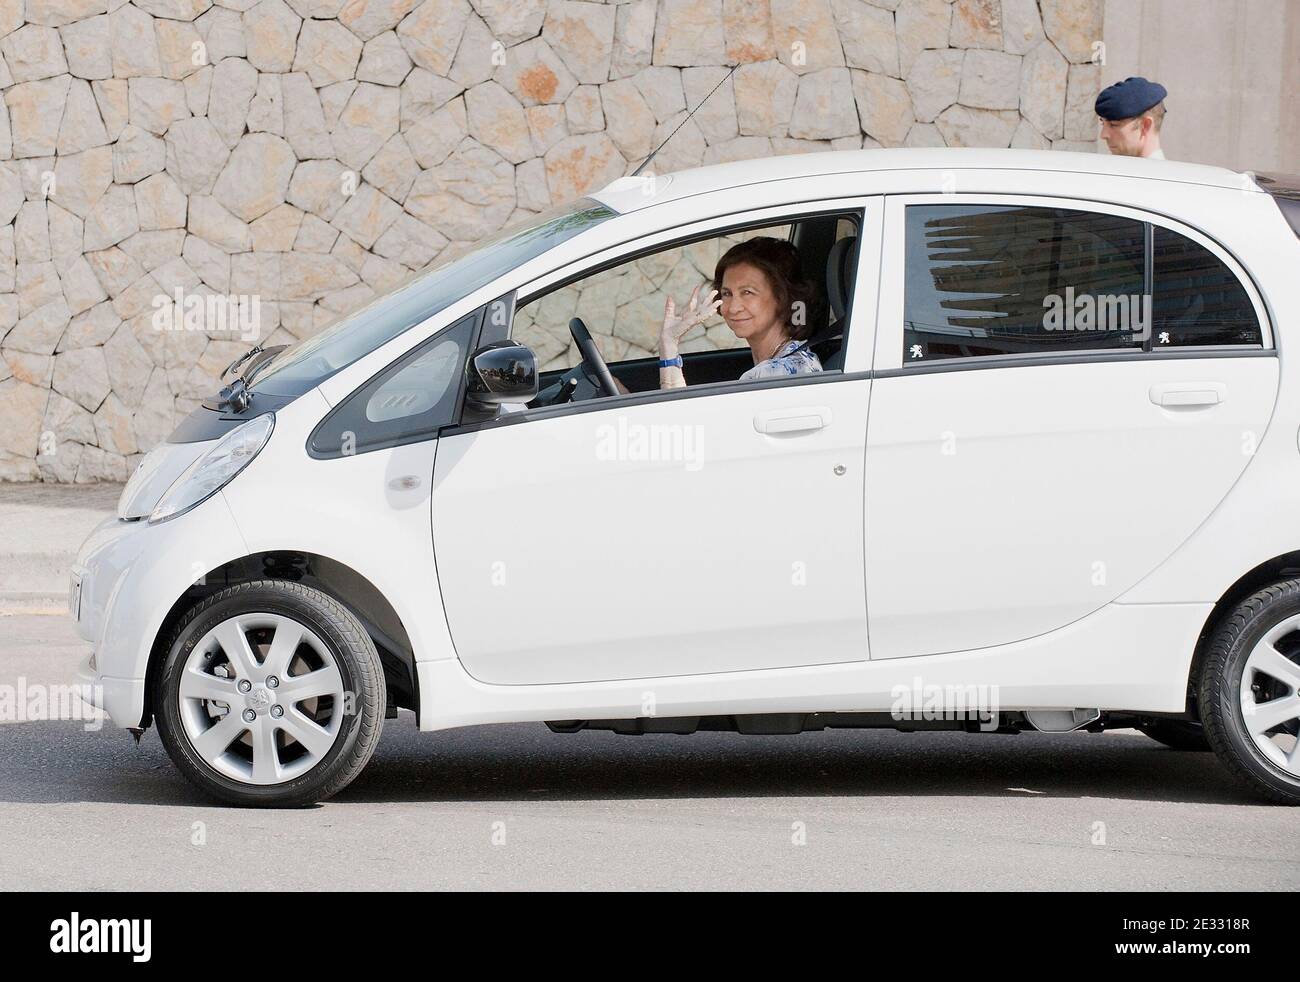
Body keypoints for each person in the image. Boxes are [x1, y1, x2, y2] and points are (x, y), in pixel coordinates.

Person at [657, 237, 821, 390]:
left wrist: (669, 344)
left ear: (783, 298)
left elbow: (683, 418)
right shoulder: (792, 359)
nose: (733, 307)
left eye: (747, 292)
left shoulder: (773, 374)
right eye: (727, 293)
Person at [1095, 76, 1168, 159]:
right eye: (1103, 123)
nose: (1103, 135)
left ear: (1145, 125)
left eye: (1113, 124)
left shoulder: (1158, 172)